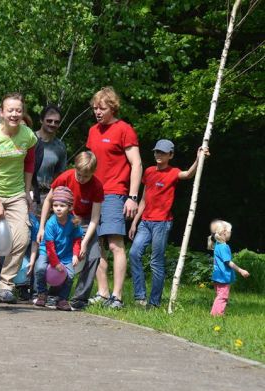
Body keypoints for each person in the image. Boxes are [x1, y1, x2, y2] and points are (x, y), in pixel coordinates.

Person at [129, 140, 208, 308]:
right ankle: (140, 296)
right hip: (145, 222)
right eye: (157, 152)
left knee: (156, 262)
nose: (159, 155)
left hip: (162, 223)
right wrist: (134, 222)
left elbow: (187, 175)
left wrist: (198, 158)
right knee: (134, 253)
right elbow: (143, 199)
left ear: (170, 155)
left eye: (163, 153)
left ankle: (154, 302)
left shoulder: (173, 172)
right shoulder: (149, 171)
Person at [0, 93, 37, 305]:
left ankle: (6, 285)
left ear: (22, 113)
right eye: (10, 110)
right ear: (1, 113)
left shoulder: (28, 136)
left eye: (18, 110)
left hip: (17, 194)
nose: (14, 114)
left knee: (21, 238)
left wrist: (28, 193)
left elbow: (29, 165)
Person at [86, 86, 142, 309]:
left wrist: (133, 196)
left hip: (114, 193)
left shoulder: (124, 129)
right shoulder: (92, 131)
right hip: (93, 195)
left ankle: (117, 296)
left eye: (102, 108)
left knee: (115, 245)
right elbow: (89, 163)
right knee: (96, 244)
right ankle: (102, 292)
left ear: (113, 107)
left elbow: (136, 163)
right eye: (95, 108)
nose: (98, 112)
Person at [37, 151, 104, 310]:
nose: (81, 179)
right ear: (75, 168)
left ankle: (79, 298)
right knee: (57, 253)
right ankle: (53, 294)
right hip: (63, 219)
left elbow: (95, 218)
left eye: (86, 176)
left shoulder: (96, 186)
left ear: (93, 173)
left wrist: (84, 243)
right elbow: (48, 200)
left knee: (93, 256)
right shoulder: (65, 177)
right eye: (79, 174)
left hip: (85, 222)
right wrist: (42, 226)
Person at [34, 186, 83, 310]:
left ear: (69, 207)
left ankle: (62, 299)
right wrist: (55, 263)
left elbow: (77, 239)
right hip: (48, 251)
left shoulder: (73, 222)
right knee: (40, 268)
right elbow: (50, 247)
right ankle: (42, 293)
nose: (58, 209)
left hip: (66, 253)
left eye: (62, 206)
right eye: (55, 206)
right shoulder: (51, 223)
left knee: (70, 275)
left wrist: (75, 254)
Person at [208, 220, 249, 316]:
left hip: (218, 276)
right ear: (224, 233)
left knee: (220, 296)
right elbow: (228, 262)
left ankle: (216, 313)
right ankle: (217, 314)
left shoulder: (218, 245)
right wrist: (241, 270)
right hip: (223, 277)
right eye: (230, 232)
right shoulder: (223, 247)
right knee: (223, 297)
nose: (231, 234)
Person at [36, 105, 67, 196]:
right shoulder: (29, 139)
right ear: (41, 120)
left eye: (56, 122)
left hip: (46, 194)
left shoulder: (60, 147)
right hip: (25, 192)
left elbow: (59, 175)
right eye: (49, 121)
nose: (53, 124)